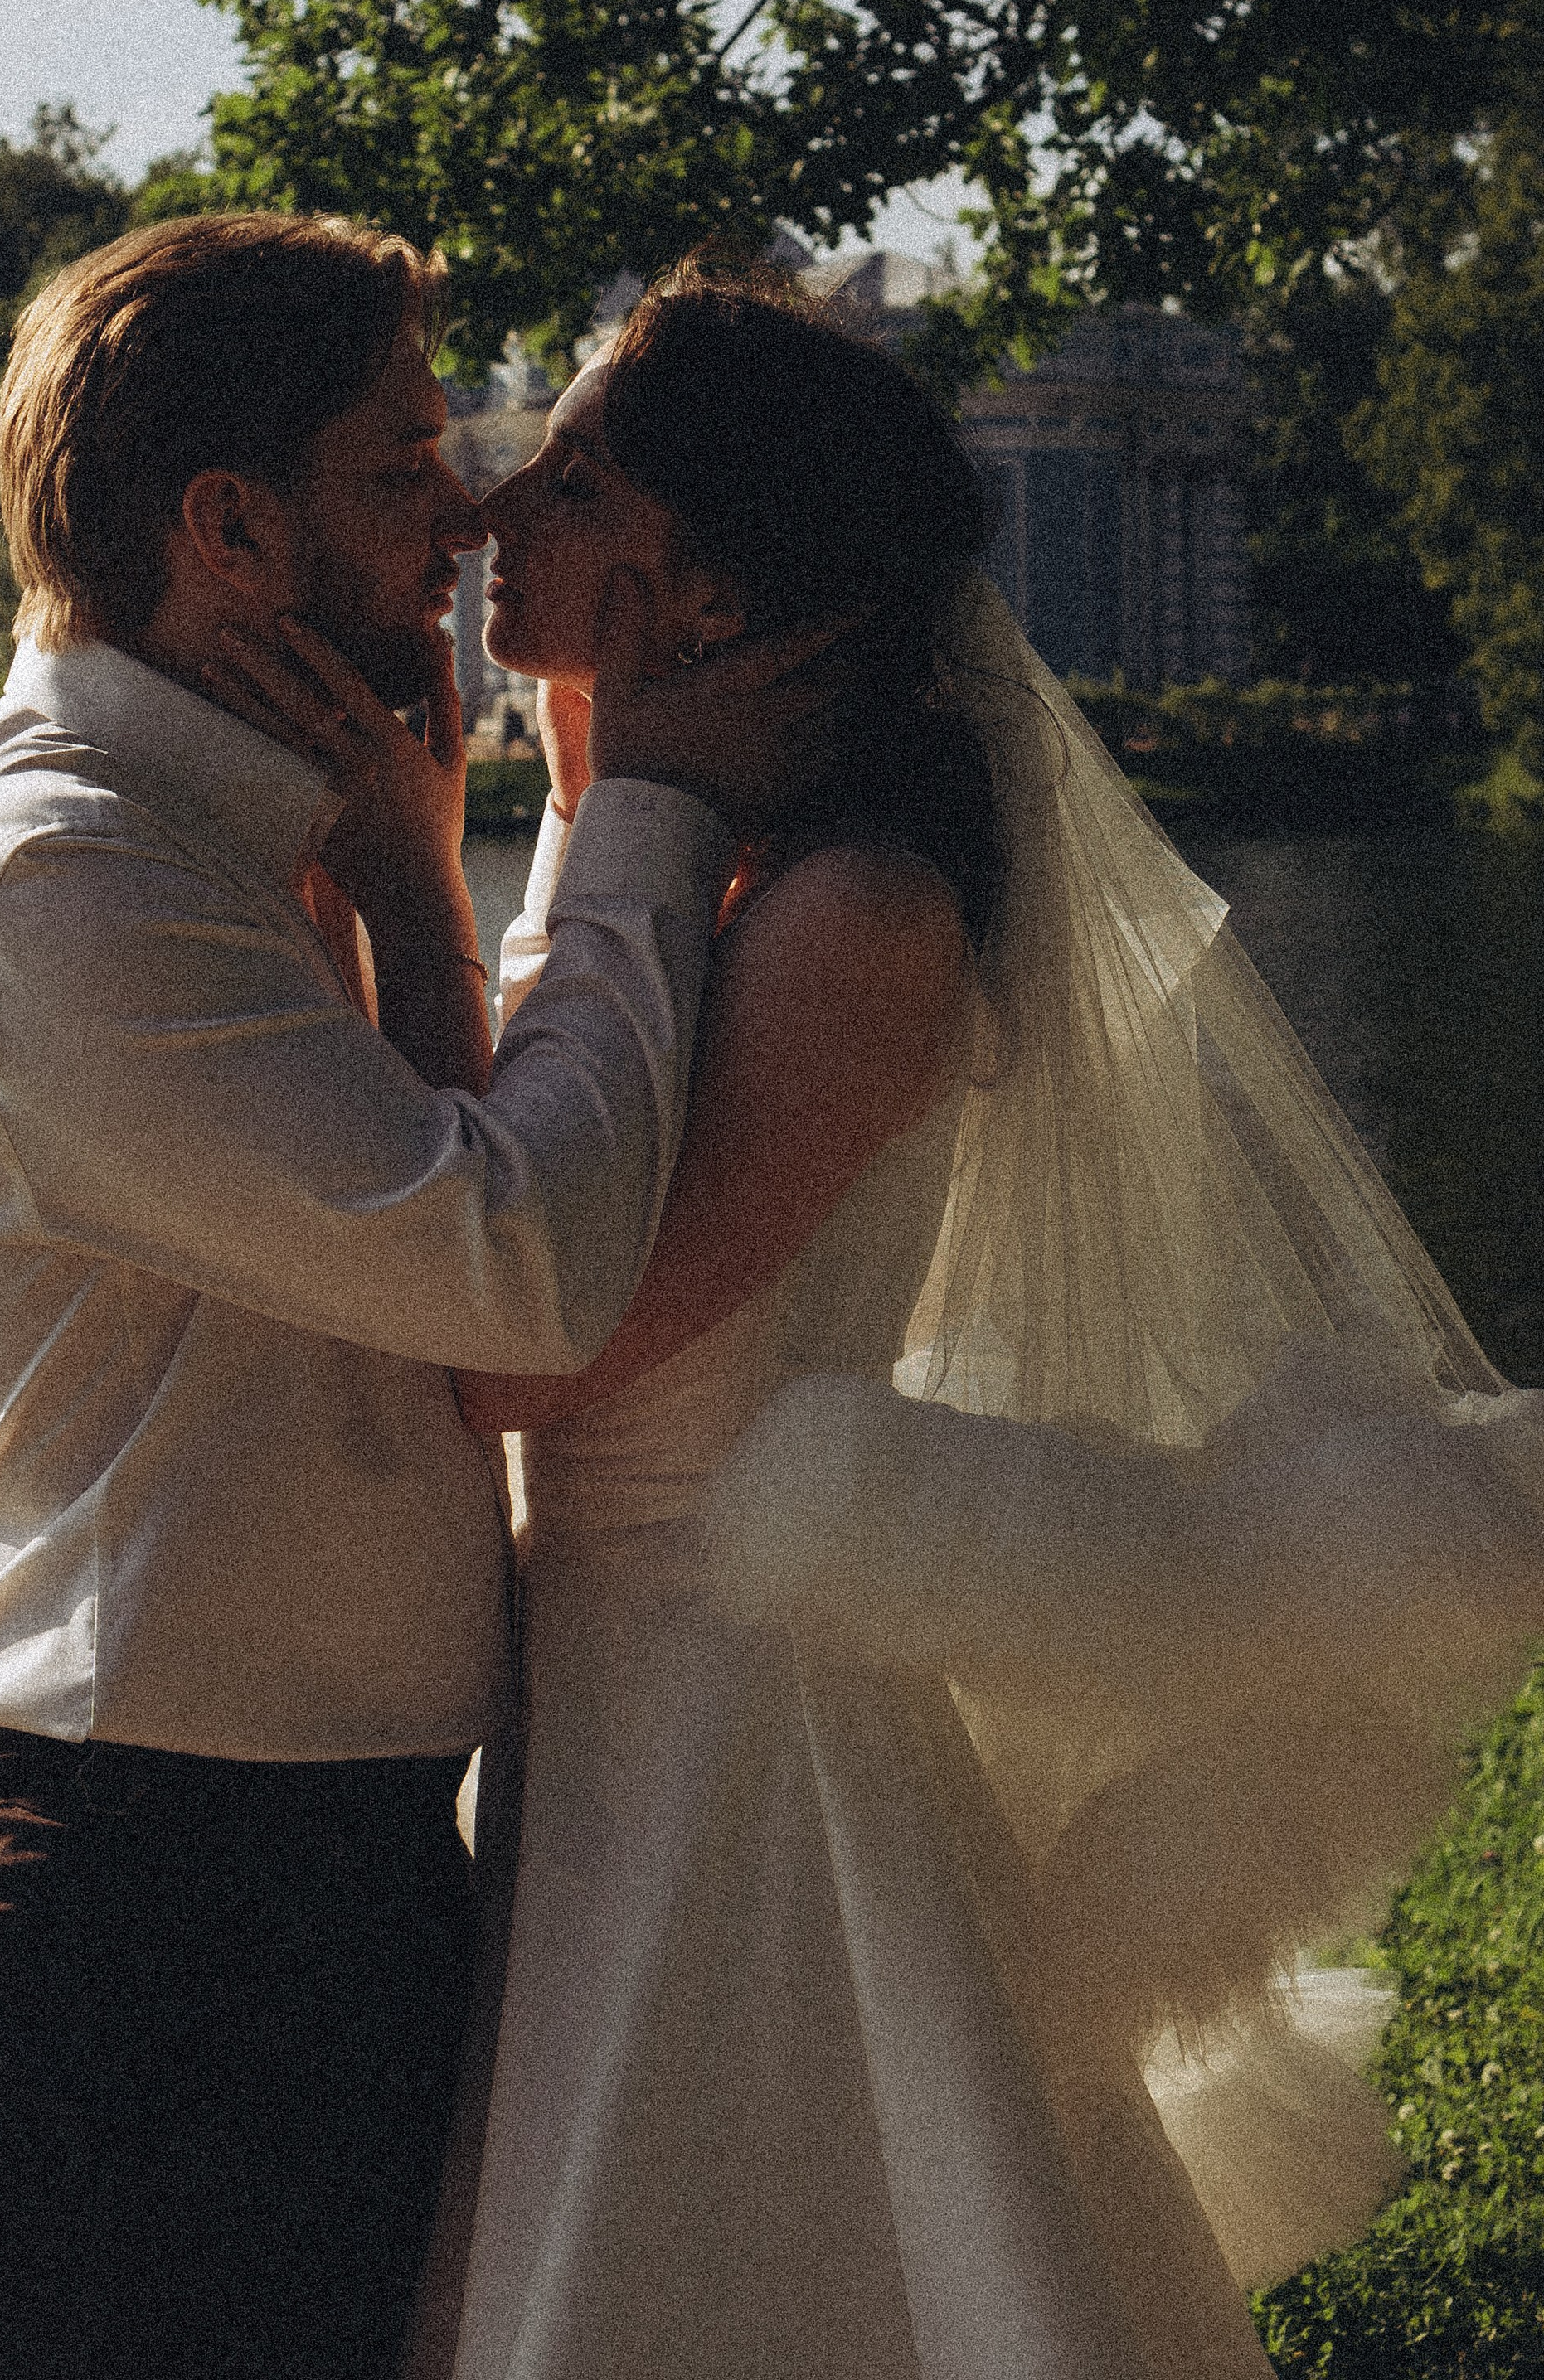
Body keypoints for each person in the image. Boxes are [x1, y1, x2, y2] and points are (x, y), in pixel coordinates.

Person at [369, 257, 1544, 2380]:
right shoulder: (702, 869)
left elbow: (526, 1346)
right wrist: (575, 793)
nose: (483, 506)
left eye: (565, 473)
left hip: (744, 1723)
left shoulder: (854, 916)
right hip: (616, 1687)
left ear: (704, 586)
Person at [0, 212, 841, 2380]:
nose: (472, 512)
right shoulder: (67, 878)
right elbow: (525, 1267)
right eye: (404, 467)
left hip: (306, 1898)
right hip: (138, 1939)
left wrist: (409, 876)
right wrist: (640, 809)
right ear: (227, 526)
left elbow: (458, 1279)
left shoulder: (235, 841)